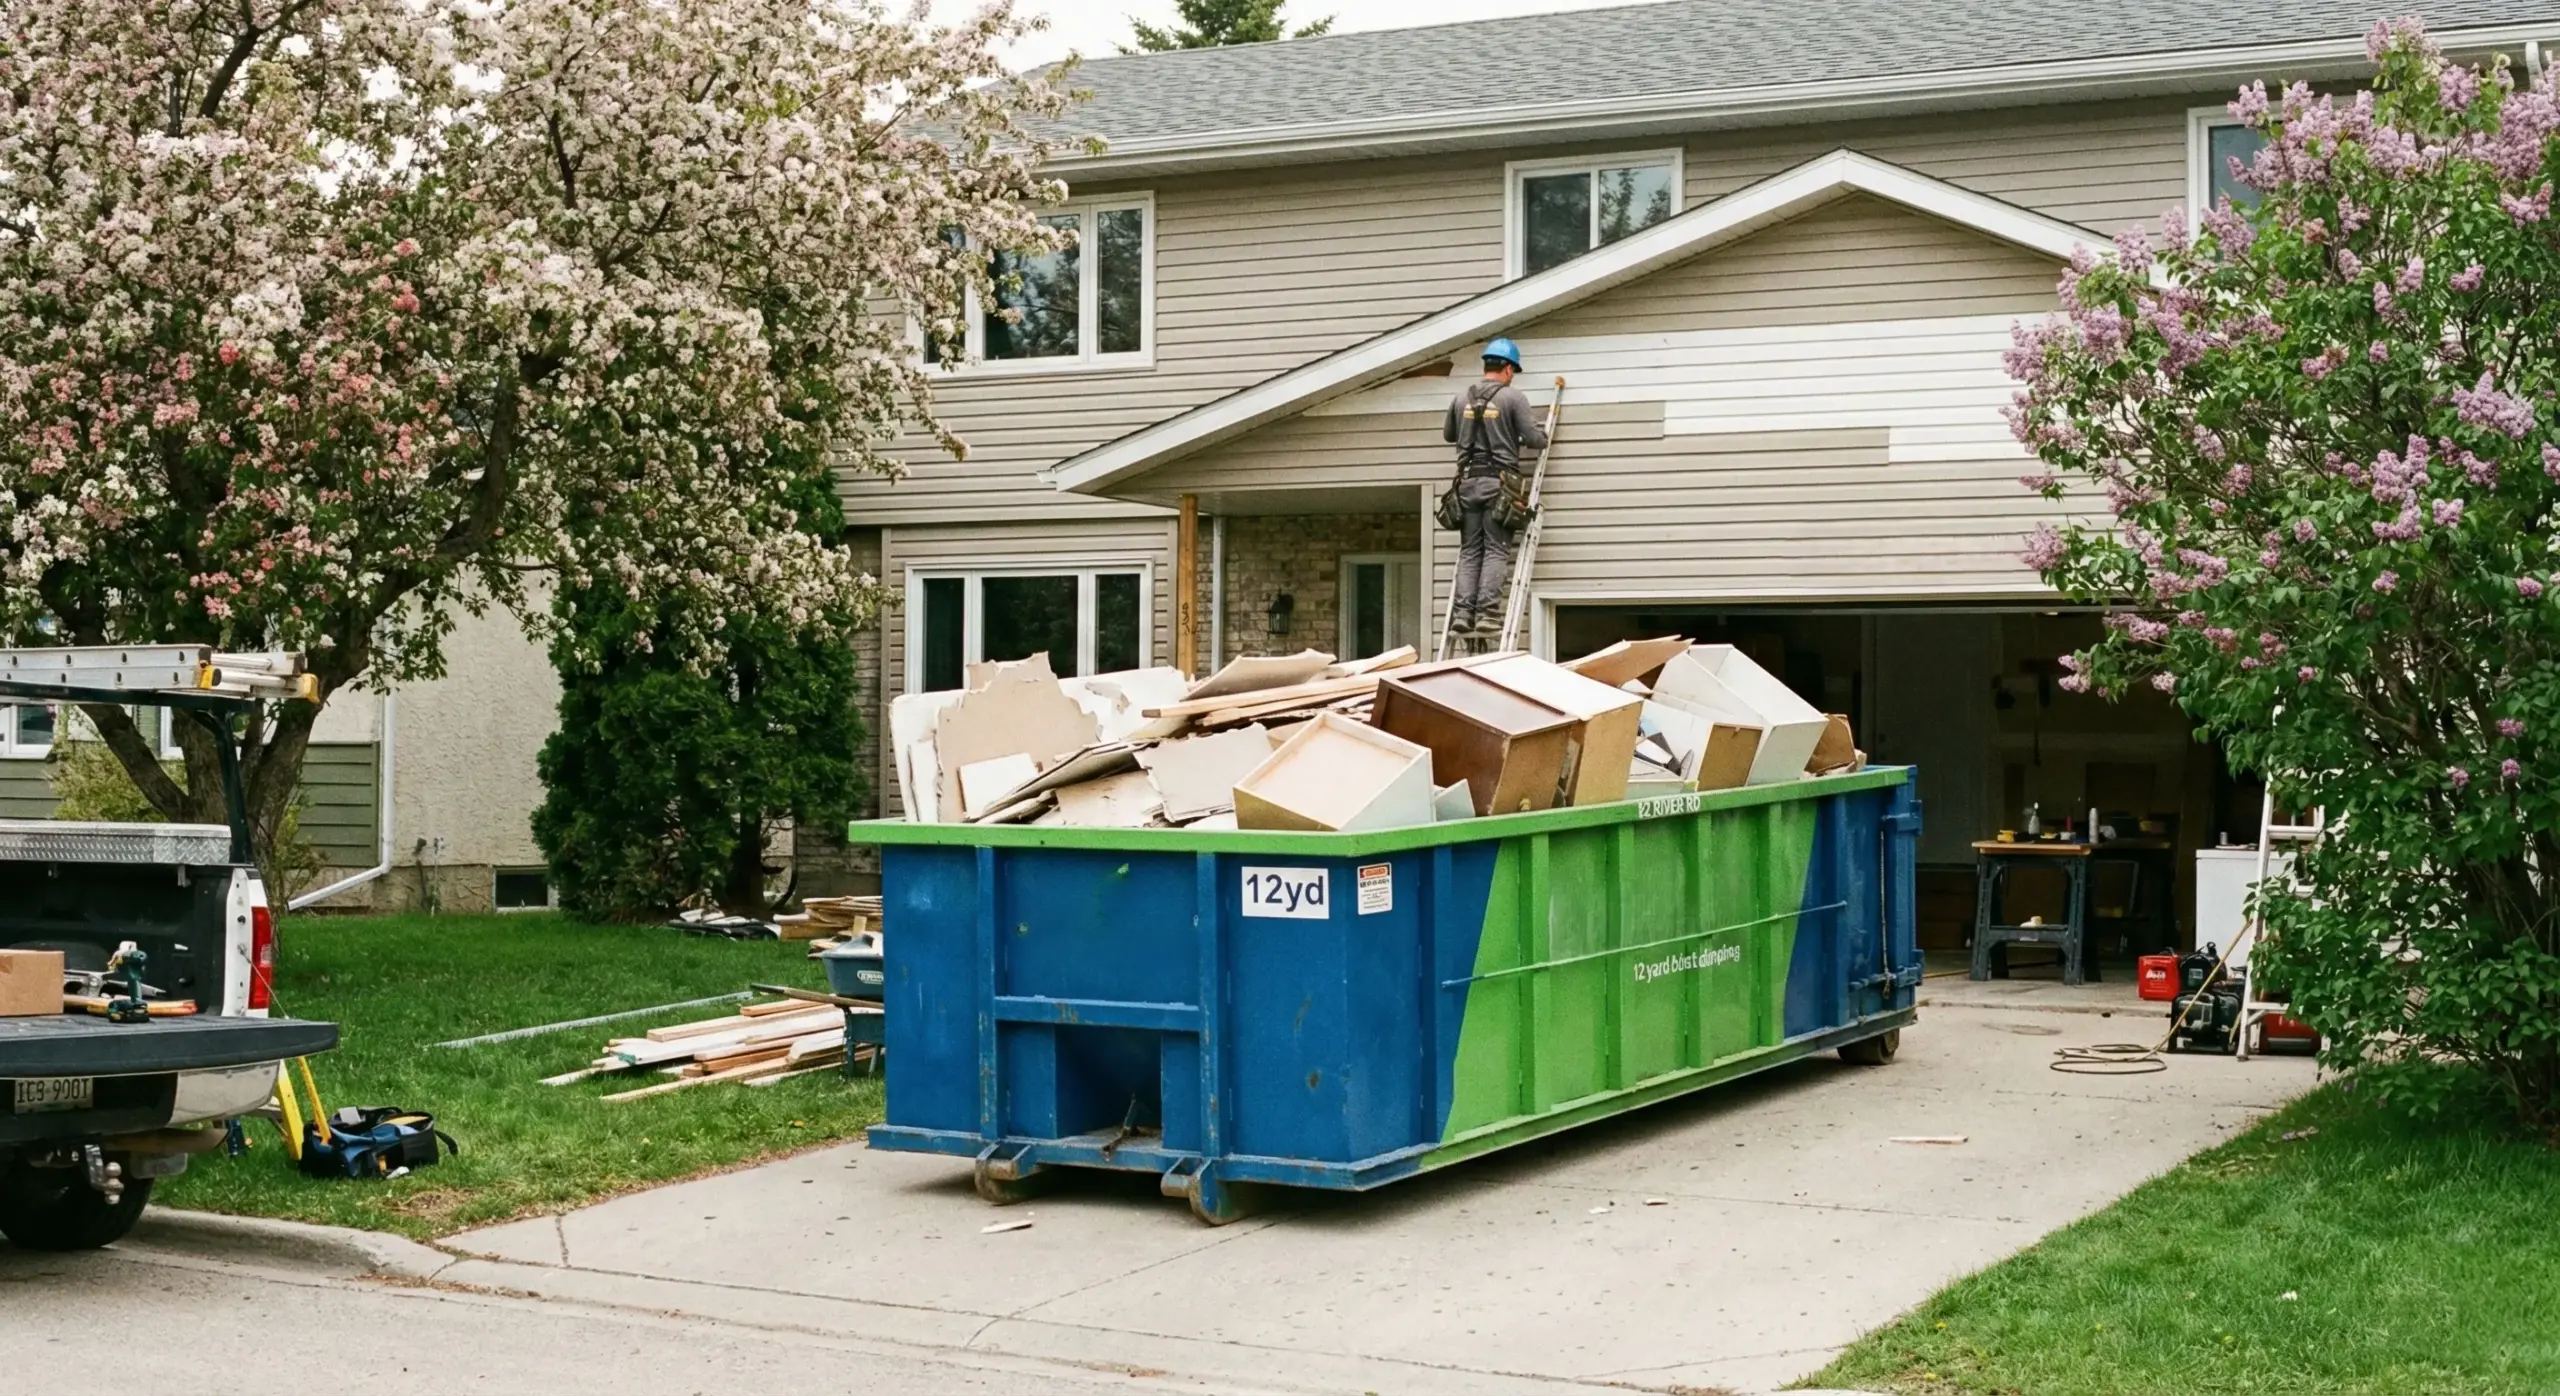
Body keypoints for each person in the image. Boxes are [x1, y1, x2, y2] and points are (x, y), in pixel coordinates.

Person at [1442, 337, 1548, 634]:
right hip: (1498, 484)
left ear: (1486, 364)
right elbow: (1536, 440)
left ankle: (1462, 614)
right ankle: (1488, 614)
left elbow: (1449, 435)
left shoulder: (1460, 397)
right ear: (1509, 369)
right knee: (1496, 549)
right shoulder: (1512, 398)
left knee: (1470, 550)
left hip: (1466, 485)